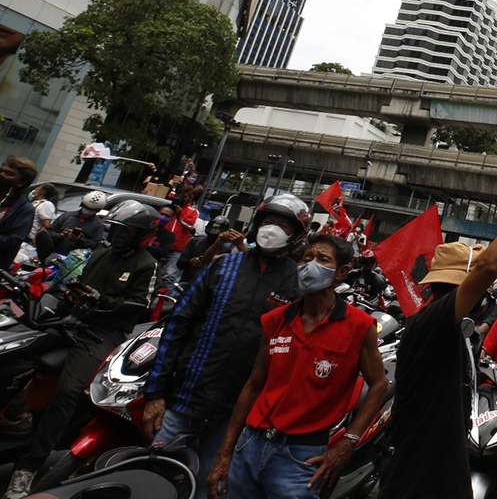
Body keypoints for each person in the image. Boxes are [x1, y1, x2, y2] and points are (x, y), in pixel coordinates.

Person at [380, 142, 497, 499]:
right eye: (478, 286)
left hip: (441, 465)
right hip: (418, 475)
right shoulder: (433, 322)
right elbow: (489, 266)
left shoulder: (452, 328)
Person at [142, 194, 307, 496]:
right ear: (257, 225)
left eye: (283, 225)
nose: (273, 230)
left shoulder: (298, 285)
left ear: (296, 235)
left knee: (209, 487)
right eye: (269, 222)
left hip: (237, 417)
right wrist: (155, 393)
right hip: (185, 400)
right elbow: (178, 325)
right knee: (153, 478)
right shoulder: (222, 267)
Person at [207, 234, 389, 498]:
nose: (309, 265)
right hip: (250, 444)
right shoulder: (276, 320)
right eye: (306, 258)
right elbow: (254, 385)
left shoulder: (359, 326)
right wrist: (225, 454)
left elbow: (379, 384)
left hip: (300, 456)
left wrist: (347, 443)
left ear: (342, 272)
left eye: (322, 259)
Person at [4, 200, 159, 499]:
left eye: (124, 231)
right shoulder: (99, 252)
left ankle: (29, 466)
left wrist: (100, 304)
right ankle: (13, 414)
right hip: (70, 320)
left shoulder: (146, 264)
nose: (117, 235)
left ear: (141, 235)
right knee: (14, 352)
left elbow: (138, 307)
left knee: (68, 391)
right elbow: (73, 284)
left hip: (100, 332)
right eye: (115, 229)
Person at [35, 189, 106, 261]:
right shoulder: (67, 216)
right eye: (86, 208)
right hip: (54, 256)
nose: (87, 211)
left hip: (76, 261)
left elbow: (95, 245)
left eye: (91, 210)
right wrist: (61, 235)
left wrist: (80, 239)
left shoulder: (98, 225)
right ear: (82, 204)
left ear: (98, 210)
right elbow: (49, 232)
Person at [0, 157, 38, 270]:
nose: (1, 175)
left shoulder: (24, 209)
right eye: (1, 170)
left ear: (21, 183)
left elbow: (13, 241)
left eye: (9, 174)